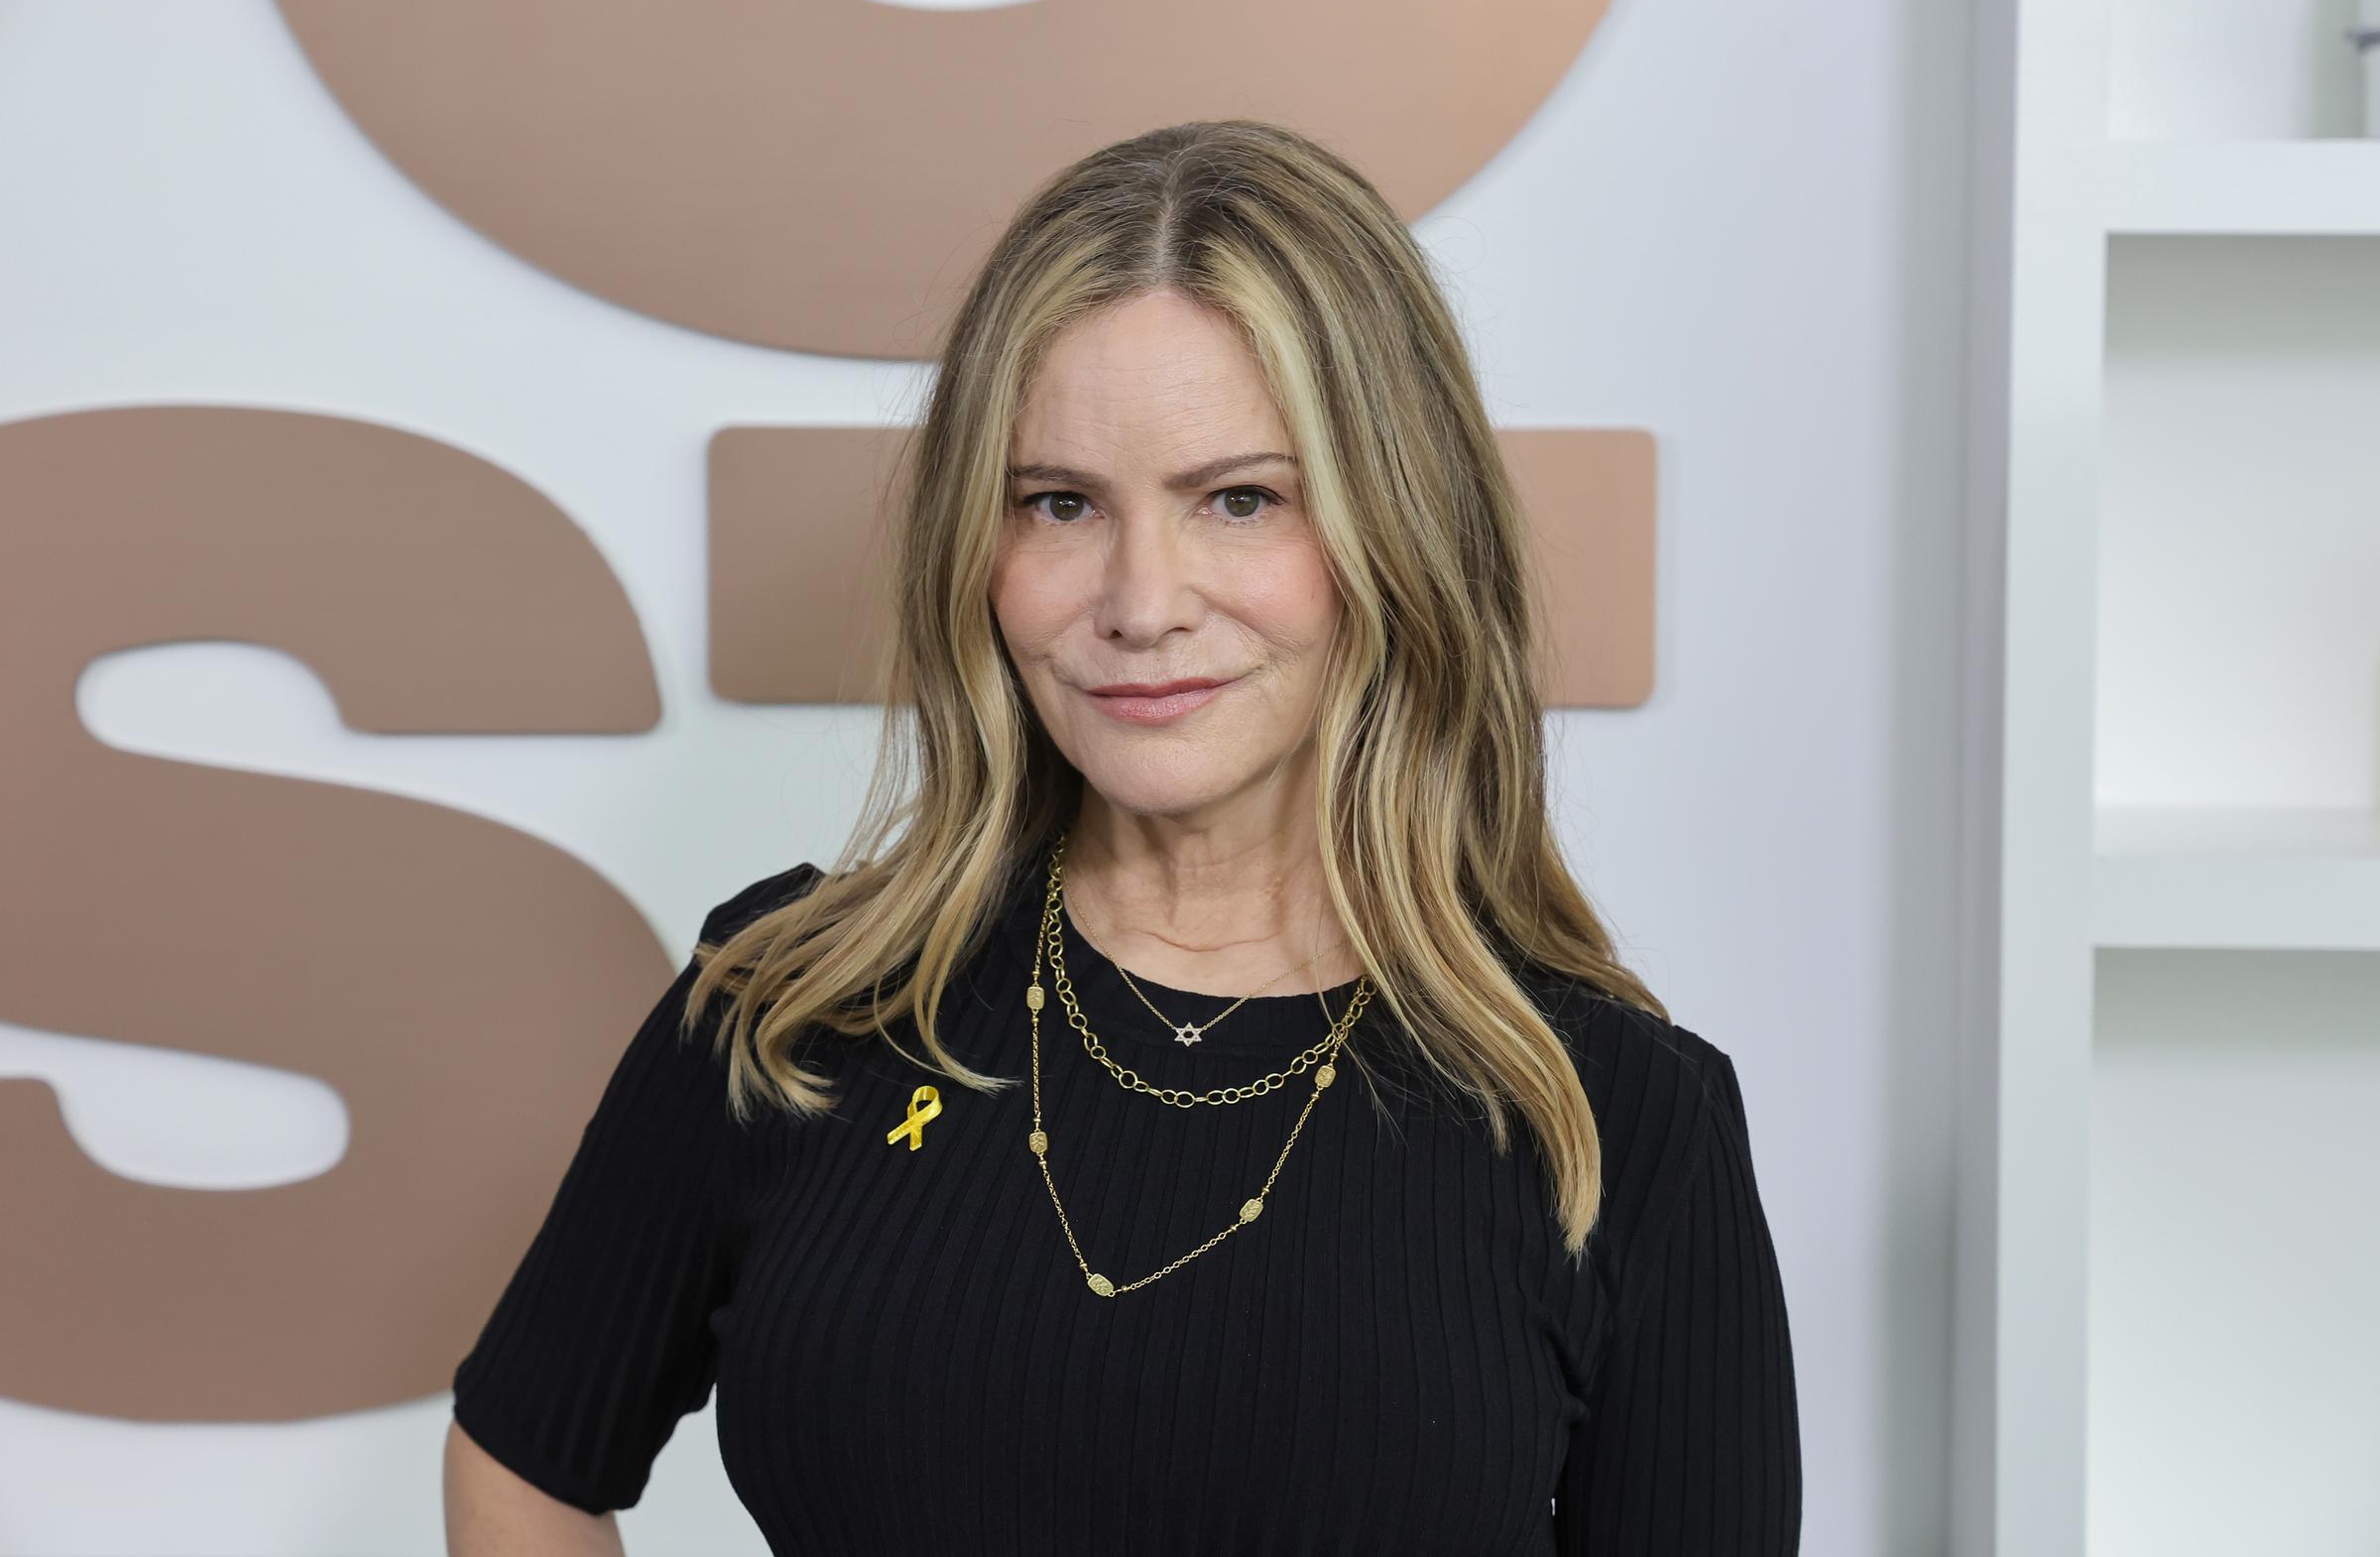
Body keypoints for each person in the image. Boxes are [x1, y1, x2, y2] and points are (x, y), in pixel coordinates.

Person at [443, 118, 1801, 1555]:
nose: (1141, 602)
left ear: (1393, 535)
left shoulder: (1615, 1120)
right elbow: (525, 1459)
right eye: (1062, 503)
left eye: (1239, 499)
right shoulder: (794, 1005)